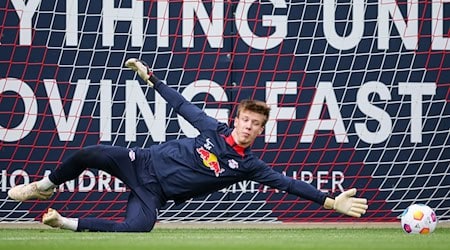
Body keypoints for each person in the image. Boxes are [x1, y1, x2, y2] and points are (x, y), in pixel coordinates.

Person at [8, 58, 368, 232]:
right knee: (90, 152)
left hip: (154, 193)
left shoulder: (249, 165)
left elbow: (288, 184)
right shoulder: (212, 128)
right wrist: (152, 79)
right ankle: (43, 187)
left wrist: (331, 201)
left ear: (260, 132)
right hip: (140, 162)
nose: (249, 128)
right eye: (246, 120)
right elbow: (181, 104)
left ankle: (63, 222)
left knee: (139, 228)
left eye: (256, 125)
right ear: (237, 119)